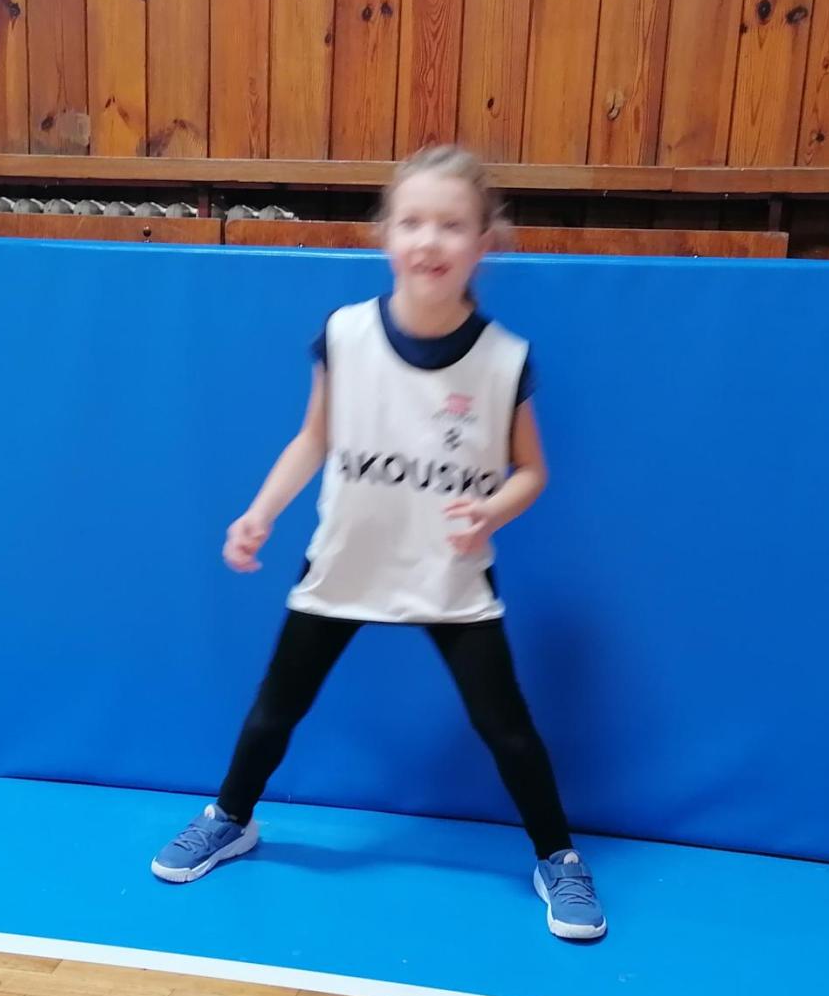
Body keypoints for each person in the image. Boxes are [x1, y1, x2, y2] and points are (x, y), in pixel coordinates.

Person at [150, 145, 606, 941]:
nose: (430, 240)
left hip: (448, 574)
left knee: (507, 729)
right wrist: (260, 513)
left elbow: (532, 471)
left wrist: (492, 511)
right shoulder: (345, 334)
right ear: (386, 234)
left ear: (484, 242)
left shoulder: (503, 361)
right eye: (413, 222)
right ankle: (231, 817)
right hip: (346, 563)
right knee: (275, 710)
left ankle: (558, 858)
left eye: (451, 226)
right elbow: (313, 439)